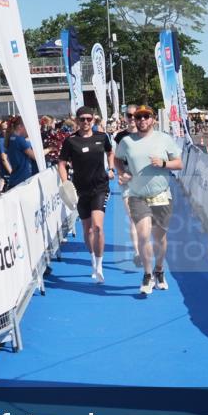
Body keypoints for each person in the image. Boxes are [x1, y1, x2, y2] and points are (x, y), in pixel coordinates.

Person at [115, 104, 183, 295]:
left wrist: (163, 163)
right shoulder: (127, 141)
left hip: (161, 195)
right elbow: (117, 159)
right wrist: (123, 172)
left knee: (159, 238)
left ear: (153, 119)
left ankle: (159, 270)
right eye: (138, 117)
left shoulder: (164, 139)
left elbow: (179, 163)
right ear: (134, 120)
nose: (142, 120)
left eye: (146, 117)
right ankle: (147, 275)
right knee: (144, 236)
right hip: (137, 196)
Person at [58, 106, 115, 283]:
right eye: (82, 119)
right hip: (80, 190)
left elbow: (110, 151)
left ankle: (99, 266)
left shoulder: (101, 137)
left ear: (94, 120)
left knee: (97, 227)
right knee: (87, 229)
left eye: (89, 119)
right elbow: (61, 163)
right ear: (77, 120)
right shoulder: (70, 141)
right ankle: (92, 260)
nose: (85, 122)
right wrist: (65, 182)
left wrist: (111, 168)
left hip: (100, 187)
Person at [115, 105, 142, 265]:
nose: (132, 118)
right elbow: (115, 158)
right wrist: (119, 173)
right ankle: (137, 253)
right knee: (133, 218)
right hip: (127, 178)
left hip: (144, 180)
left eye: (135, 115)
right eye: (129, 115)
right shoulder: (120, 136)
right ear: (124, 117)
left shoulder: (145, 134)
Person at [4, 116, 37, 190]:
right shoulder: (20, 140)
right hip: (22, 180)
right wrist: (50, 148)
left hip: (15, 179)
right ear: (20, 127)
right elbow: (35, 156)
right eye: (27, 127)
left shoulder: (12, 138)